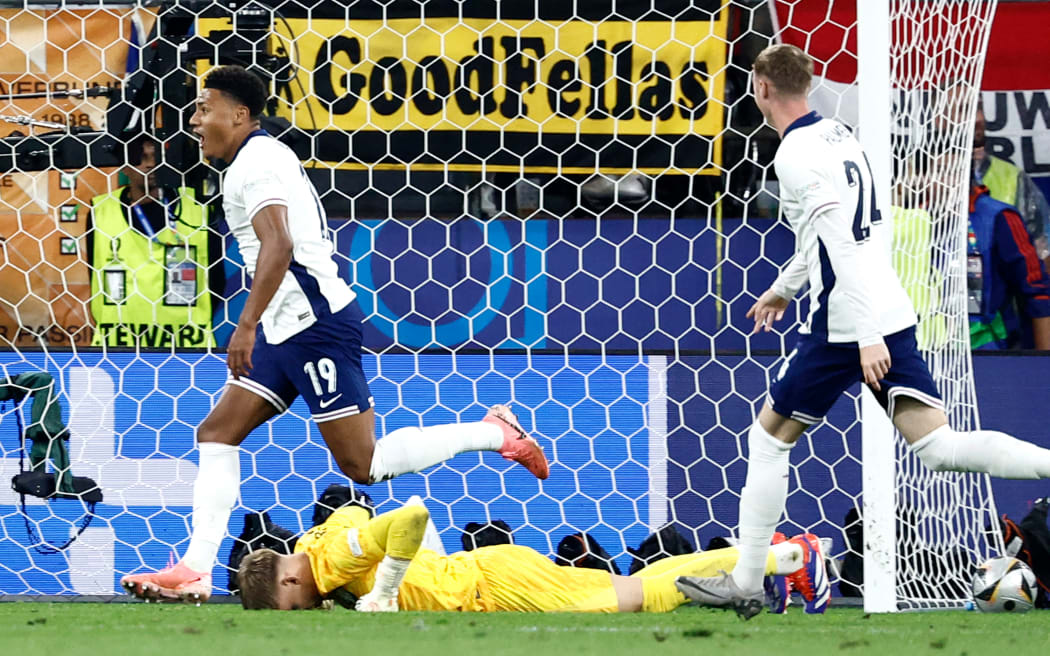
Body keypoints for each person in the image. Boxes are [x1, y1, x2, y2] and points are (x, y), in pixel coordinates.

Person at [120, 65, 549, 604]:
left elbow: (278, 247)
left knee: (363, 465)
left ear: (240, 114)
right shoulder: (249, 162)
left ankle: (495, 432)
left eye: (205, 108)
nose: (196, 119)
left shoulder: (256, 164)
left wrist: (244, 325)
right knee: (217, 433)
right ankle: (195, 569)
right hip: (285, 328)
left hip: (314, 326)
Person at [674, 44, 1050, 620]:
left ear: (763, 89)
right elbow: (835, 232)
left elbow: (841, 240)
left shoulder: (795, 154)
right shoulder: (840, 136)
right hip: (889, 310)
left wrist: (864, 333)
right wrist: (786, 285)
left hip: (849, 322)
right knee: (940, 448)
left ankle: (747, 580)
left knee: (769, 438)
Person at [236, 502, 825, 613]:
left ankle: (788, 558)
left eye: (292, 603)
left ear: (290, 575)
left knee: (640, 597)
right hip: (493, 576)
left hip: (495, 589)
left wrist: (386, 589)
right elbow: (357, 515)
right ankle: (772, 555)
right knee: (640, 584)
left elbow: (411, 516)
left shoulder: (328, 560)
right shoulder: (317, 547)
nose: (302, 610)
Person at [88, 135, 215, 348]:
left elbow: (216, 279)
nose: (150, 164)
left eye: (156, 157)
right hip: (119, 346)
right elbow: (93, 273)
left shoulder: (197, 207)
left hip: (187, 347)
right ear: (124, 166)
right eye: (141, 157)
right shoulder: (100, 211)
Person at [967, 183, 1050, 350]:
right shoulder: (909, 218)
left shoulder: (998, 216)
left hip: (987, 346)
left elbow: (1037, 292)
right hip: (923, 345)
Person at [972, 102, 1050, 270]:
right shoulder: (916, 177)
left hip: (1002, 291)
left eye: (977, 108)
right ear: (937, 119)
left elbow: (1042, 250)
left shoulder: (1012, 177)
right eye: (960, 109)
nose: (975, 117)